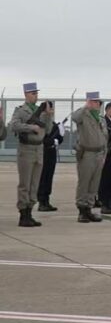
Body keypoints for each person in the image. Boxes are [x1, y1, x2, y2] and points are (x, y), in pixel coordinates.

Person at [10, 82, 54, 227]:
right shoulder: (21, 111)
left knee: (34, 184)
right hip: (26, 149)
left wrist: (48, 116)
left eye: (36, 93)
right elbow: (13, 125)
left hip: (38, 149)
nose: (36, 96)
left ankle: (30, 211)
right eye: (33, 93)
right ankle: (23, 214)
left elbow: (47, 130)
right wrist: (30, 127)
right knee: (25, 184)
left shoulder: (39, 111)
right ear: (26, 94)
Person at [71, 92, 108, 223]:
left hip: (99, 154)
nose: (98, 104)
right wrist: (86, 106)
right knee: (84, 182)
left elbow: (105, 138)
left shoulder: (100, 118)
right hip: (87, 153)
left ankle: (89, 208)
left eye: (99, 102)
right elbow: (74, 117)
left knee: (94, 184)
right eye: (95, 102)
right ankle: (81, 210)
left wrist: (104, 154)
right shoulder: (84, 116)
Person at [38, 105, 65, 212]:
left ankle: (46, 200)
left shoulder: (53, 124)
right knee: (43, 176)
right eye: (50, 109)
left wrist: (60, 135)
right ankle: (41, 201)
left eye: (53, 109)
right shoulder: (41, 123)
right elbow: (43, 138)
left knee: (49, 176)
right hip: (44, 151)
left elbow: (58, 139)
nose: (52, 111)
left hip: (52, 152)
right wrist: (52, 141)